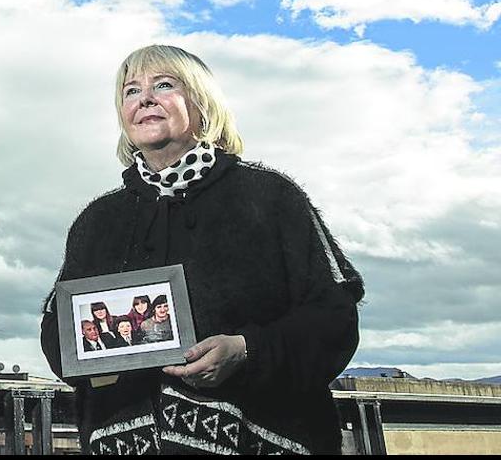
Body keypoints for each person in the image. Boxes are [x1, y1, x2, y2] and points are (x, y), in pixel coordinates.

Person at [40, 44, 363, 455]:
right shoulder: (96, 222)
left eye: (164, 85)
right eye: (131, 91)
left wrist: (247, 351)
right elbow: (57, 337)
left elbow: (333, 320)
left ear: (203, 103)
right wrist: (98, 352)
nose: (146, 99)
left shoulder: (272, 198)